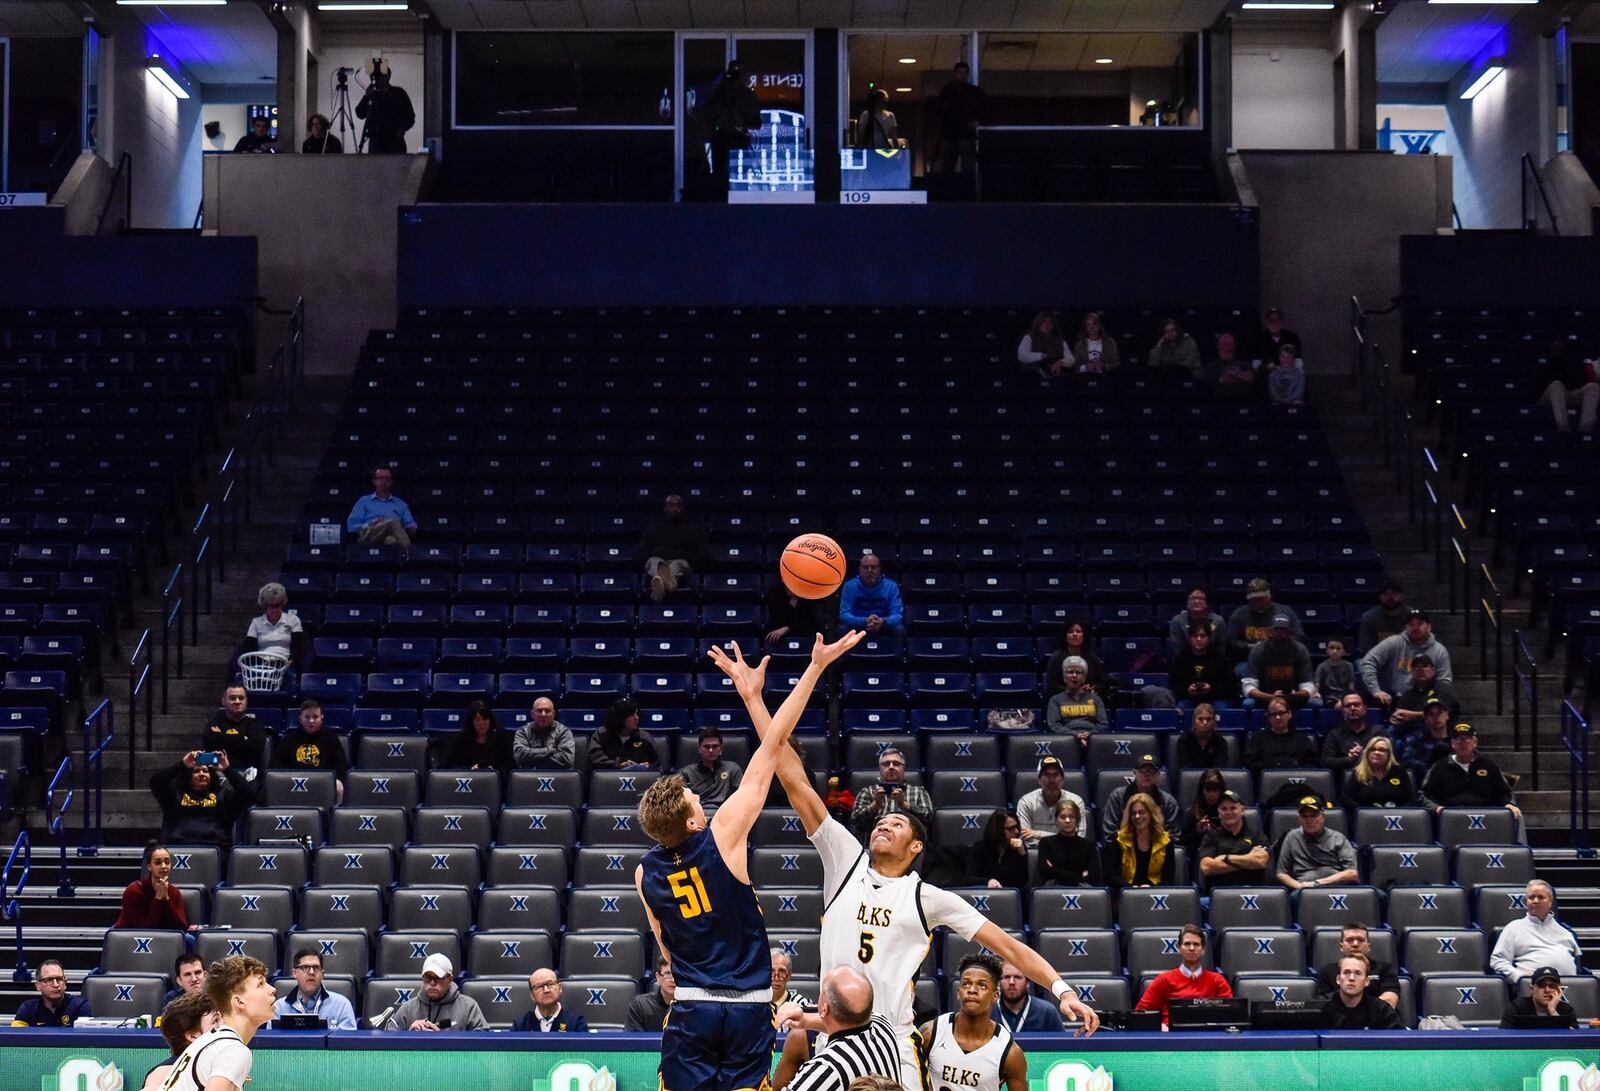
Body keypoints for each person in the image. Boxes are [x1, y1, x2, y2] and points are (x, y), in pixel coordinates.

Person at [713, 649, 1098, 1091]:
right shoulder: (844, 859)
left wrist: (1063, 989)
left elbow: (1008, 947)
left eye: (896, 823)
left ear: (916, 847)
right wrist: (753, 699)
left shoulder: (927, 897)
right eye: (881, 820)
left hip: (892, 1044)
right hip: (835, 1036)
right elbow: (791, 774)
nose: (883, 823)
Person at [638, 633, 857, 1091]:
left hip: (693, 1005)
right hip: (748, 1006)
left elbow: (666, 946)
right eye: (693, 798)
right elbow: (774, 744)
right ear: (694, 822)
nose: (698, 794)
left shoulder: (645, 872)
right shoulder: (723, 833)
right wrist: (812, 669)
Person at [158, 955, 277, 1091]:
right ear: (239, 1001)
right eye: (260, 984)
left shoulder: (214, 1042)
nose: (272, 989)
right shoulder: (232, 1049)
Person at [782, 969, 903, 1091]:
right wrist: (806, 1021)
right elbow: (850, 1021)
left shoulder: (827, 1069)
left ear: (824, 1009)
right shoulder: (883, 1026)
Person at [919, 955, 1026, 1091]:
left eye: (981, 985)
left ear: (995, 996)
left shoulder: (1010, 1053)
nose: (972, 990)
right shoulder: (930, 1033)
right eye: (966, 984)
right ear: (959, 993)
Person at [151, 751, 250, 851]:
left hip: (215, 849)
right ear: (188, 776)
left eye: (205, 771)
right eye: (196, 771)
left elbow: (249, 795)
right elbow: (156, 781)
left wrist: (227, 769)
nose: (201, 774)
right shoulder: (175, 795)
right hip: (180, 847)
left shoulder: (224, 796)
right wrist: (182, 764)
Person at [1489, 881, 1583, 986]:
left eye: (1541, 897)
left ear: (1550, 901)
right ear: (1526, 902)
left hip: (1569, 989)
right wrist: (1517, 975)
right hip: (1534, 989)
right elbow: (1497, 961)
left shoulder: (1565, 932)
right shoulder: (1513, 928)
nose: (1535, 901)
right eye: (1531, 897)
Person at [1421, 722, 1521, 820]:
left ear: (1475, 742)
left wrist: (1509, 804)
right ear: (1452, 743)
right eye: (1458, 739)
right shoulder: (1440, 767)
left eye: (1467, 739)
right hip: (1451, 818)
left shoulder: (1488, 765)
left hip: (1486, 816)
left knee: (1517, 815)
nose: (1463, 743)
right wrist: (1437, 808)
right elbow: (1425, 795)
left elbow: (1503, 792)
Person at [1134, 924, 1231, 1024]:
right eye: (1187, 944)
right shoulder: (1163, 980)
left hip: (1207, 1035)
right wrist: (1160, 1027)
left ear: (1203, 950)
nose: (1192, 948)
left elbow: (1230, 1014)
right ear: (1180, 948)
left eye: (1196, 944)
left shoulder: (1217, 980)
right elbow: (1141, 1013)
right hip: (1171, 1035)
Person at [1359, 609, 1454, 709]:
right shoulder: (1394, 642)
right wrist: (1376, 690)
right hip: (1396, 699)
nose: (1415, 627)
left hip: (1427, 702)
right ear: (1406, 627)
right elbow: (1367, 662)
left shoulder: (1439, 650)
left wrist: (1435, 700)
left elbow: (1444, 681)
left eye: (1420, 623)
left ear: (1429, 627)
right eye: (1411, 624)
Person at [696, 60, 762, 197]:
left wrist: (739, 122)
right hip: (722, 139)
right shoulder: (720, 93)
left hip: (738, 140)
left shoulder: (746, 95)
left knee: (737, 177)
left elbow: (756, 122)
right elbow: (706, 114)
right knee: (721, 177)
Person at [636, 494, 712, 604]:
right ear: (665, 508)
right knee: (654, 561)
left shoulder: (694, 531)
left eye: (678, 505)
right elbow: (639, 555)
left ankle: (660, 583)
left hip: (682, 563)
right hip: (658, 561)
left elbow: (705, 556)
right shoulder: (653, 530)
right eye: (671, 505)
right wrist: (657, 554)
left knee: (677, 563)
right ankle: (670, 584)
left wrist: (678, 555)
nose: (675, 509)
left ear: (683, 508)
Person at [384, 953, 489, 1031]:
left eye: (438, 978)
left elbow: (483, 1039)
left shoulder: (468, 1007)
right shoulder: (408, 1008)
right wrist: (409, 1034)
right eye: (427, 977)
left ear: (450, 979)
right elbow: (389, 1038)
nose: (432, 983)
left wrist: (444, 1039)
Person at [1275, 795, 1359, 891]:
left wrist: (1317, 883)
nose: (1309, 820)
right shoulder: (1291, 837)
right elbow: (1281, 873)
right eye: (1304, 816)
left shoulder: (1338, 838)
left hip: (1336, 888)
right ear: (1299, 819)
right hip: (1303, 891)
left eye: (1313, 815)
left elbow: (1352, 873)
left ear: (1323, 817)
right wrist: (1298, 886)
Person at [273, 699, 349, 802]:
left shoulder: (330, 738)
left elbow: (341, 764)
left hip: (322, 781)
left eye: (315, 717)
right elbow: (276, 763)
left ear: (321, 718)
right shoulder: (290, 739)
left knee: (338, 786)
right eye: (307, 717)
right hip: (294, 781)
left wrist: (331, 779)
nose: (311, 721)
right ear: (300, 719)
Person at [1102, 792, 1175, 895]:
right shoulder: (1119, 839)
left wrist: (1152, 889)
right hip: (1125, 893)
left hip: (1157, 894)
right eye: (1133, 813)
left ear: (1151, 814)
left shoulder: (1166, 840)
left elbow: (1169, 879)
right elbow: (1110, 876)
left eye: (1142, 812)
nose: (1137, 816)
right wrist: (1131, 888)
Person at [143, 991, 218, 1091]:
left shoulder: (216, 1065)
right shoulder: (166, 1071)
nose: (224, 1025)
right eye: (216, 1020)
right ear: (192, 1035)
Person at [849, 746, 933, 836]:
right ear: (879, 769)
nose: (891, 767)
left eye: (896, 763)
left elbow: (928, 819)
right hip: (874, 845)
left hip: (908, 846)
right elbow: (855, 822)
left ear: (904, 768)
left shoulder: (919, 792)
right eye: (886, 764)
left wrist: (904, 805)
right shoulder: (867, 792)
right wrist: (875, 805)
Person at [1312, 924, 1400, 1009]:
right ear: (1341, 947)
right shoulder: (1328, 971)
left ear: (1368, 946)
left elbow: (1390, 1000)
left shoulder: (1385, 969)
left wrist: (1358, 1014)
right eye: (1350, 940)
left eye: (1360, 940)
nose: (1355, 944)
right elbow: (1322, 1004)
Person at [1197, 789, 1270, 891]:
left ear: (1242, 810)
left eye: (1233, 808)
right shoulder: (1211, 836)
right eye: (1224, 809)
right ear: (1219, 812)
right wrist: (1248, 860)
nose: (1228, 812)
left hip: (1251, 894)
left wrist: (1226, 858)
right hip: (1219, 895)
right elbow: (1206, 867)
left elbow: (1260, 862)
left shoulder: (1256, 835)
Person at [1241, 615, 1321, 708]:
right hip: (1265, 699)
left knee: (1315, 703)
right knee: (1248, 703)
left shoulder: (1300, 650)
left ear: (1290, 633)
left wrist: (1295, 695)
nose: (1280, 633)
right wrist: (1271, 697)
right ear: (1270, 632)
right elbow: (1249, 687)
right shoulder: (1258, 650)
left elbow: (1308, 686)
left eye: (1283, 630)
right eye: (1277, 629)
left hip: (1293, 700)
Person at [200, 685, 266, 792]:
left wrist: (221, 737)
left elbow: (256, 747)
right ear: (223, 701)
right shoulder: (214, 721)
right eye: (232, 698)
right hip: (217, 775)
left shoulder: (255, 724)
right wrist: (243, 739)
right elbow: (209, 742)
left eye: (241, 698)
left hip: (247, 777)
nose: (237, 701)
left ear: (246, 701)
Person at [115, 841, 193, 930]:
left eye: (167, 862)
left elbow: (181, 927)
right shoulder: (134, 891)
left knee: (189, 939)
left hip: (164, 939)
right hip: (131, 939)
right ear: (149, 866)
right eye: (158, 862)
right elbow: (144, 932)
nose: (164, 866)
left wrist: (166, 898)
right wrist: (158, 898)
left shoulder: (173, 892)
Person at [273, 948, 357, 1029]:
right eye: (305, 967)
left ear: (322, 974)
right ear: (295, 973)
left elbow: (348, 1042)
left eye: (316, 968)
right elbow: (271, 1042)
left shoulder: (341, 1005)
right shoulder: (279, 1007)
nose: (311, 972)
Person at [1099, 755, 1180, 839]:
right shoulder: (1117, 797)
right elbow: (1109, 832)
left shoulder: (1168, 801)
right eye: (1142, 770)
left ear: (1158, 774)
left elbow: (1174, 835)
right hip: (1124, 848)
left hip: (1158, 849)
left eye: (1151, 771)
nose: (1147, 774)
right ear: (1134, 772)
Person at [239, 581, 303, 685]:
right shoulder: (256, 622)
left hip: (285, 663)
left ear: (282, 603)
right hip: (260, 663)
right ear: (265, 605)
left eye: (277, 605)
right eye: (270, 606)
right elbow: (248, 646)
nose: (273, 609)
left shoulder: (293, 620)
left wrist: (290, 663)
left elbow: (297, 645)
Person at [1529, 340, 1599, 434]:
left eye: (1560, 348)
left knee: (1592, 386)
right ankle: (1563, 430)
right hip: (1548, 397)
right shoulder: (1545, 366)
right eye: (1556, 348)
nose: (1558, 350)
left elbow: (1580, 382)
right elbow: (1537, 387)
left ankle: (1585, 430)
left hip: (1569, 393)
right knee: (1556, 385)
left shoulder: (1574, 364)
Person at [1225, 578, 1303, 662]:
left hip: (1280, 660)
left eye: (1261, 599)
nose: (1258, 603)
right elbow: (1231, 641)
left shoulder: (1285, 612)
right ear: (1249, 599)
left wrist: (1278, 644)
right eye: (1254, 600)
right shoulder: (1239, 614)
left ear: (1268, 597)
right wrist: (1249, 646)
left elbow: (1299, 636)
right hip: (1248, 659)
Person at [1014, 756, 1087, 845]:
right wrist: (1064, 839)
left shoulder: (1076, 801)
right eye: (1047, 775)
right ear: (1039, 780)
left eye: (1056, 775)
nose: (1052, 780)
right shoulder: (1026, 802)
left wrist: (1037, 834)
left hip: (1068, 854)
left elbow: (1079, 838)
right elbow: (1024, 837)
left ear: (1063, 779)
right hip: (1035, 852)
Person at [1242, 697, 1318, 780]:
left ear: (1289, 714)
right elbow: (1249, 764)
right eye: (1273, 714)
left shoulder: (1301, 738)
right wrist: (1275, 765)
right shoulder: (1258, 738)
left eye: (1281, 713)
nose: (1278, 717)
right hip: (1266, 783)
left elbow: (1312, 764)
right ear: (1269, 717)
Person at [1319, 954, 1403, 1029]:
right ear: (1338, 979)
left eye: (1358, 973)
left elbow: (1399, 1039)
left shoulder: (1381, 1009)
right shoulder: (1321, 1006)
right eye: (1346, 972)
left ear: (1367, 981)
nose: (1351, 978)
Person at [933, 61, 986, 174]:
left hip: (964, 132)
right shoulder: (948, 90)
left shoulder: (972, 92)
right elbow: (939, 109)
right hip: (950, 132)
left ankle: (965, 184)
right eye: (959, 73)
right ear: (955, 73)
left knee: (966, 161)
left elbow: (983, 107)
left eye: (964, 73)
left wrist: (976, 120)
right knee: (948, 161)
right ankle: (951, 184)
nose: (962, 76)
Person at [438, 699, 514, 778]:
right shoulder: (462, 737)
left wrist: (495, 772)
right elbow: (449, 763)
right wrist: (469, 771)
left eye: (485, 719)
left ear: (490, 720)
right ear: (472, 721)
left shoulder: (501, 736)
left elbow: (510, 763)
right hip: (467, 780)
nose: (482, 723)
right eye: (477, 720)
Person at [345, 464, 417, 546]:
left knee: (390, 540)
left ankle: (404, 554)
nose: (384, 481)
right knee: (392, 522)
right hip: (369, 535)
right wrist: (371, 524)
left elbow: (411, 524)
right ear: (374, 481)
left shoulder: (401, 504)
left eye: (387, 478)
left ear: (391, 482)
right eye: (380, 478)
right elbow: (351, 526)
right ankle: (409, 554)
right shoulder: (364, 501)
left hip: (392, 535)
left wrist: (412, 527)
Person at [1168, 623, 1238, 707]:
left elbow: (1230, 685)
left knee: (1223, 709)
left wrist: (1211, 688)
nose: (1198, 639)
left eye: (1202, 636)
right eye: (1195, 636)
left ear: (1209, 638)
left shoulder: (1220, 658)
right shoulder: (1181, 658)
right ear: (1189, 639)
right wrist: (1187, 690)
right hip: (1189, 698)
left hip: (1215, 698)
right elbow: (1173, 685)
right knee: (1180, 709)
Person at [1035, 798, 1100, 887]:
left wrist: (1054, 870)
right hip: (1053, 887)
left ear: (1077, 820)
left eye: (1072, 817)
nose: (1067, 821)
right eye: (1062, 817)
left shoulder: (1088, 845)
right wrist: (1080, 875)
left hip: (1081, 887)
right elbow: (1044, 871)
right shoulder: (1046, 843)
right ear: (1056, 821)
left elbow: (1093, 874)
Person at [1386, 654, 1461, 730]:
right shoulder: (1406, 695)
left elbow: (1444, 715)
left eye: (1424, 666)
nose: (1420, 669)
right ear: (1411, 671)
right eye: (1416, 666)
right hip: (1410, 735)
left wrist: (1412, 715)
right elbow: (1400, 715)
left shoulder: (1443, 692)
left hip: (1437, 736)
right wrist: (1395, 718)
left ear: (1433, 670)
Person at [354, 59, 414, 153]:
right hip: (375, 143)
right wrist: (366, 97)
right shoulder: (371, 94)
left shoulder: (398, 93)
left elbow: (410, 117)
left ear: (388, 76)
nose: (379, 79)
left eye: (381, 76)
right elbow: (360, 114)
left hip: (395, 142)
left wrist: (401, 130)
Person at [586, 697, 663, 769]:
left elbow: (657, 763)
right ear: (620, 718)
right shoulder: (601, 735)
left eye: (636, 714)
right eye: (632, 715)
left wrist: (649, 766)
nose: (637, 718)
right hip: (610, 780)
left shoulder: (644, 737)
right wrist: (618, 764)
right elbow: (595, 761)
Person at [839, 553, 905, 637]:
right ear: (860, 569)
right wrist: (865, 621)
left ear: (879, 569)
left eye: (873, 567)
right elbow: (844, 615)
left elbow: (897, 616)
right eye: (865, 567)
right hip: (859, 626)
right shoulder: (849, 586)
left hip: (883, 626)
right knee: (842, 628)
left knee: (899, 629)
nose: (869, 570)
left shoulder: (891, 586)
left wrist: (883, 621)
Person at [1045, 657, 1107, 744]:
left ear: (1084, 677)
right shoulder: (1055, 700)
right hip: (1066, 740)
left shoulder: (1095, 699)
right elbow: (1054, 725)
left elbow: (1103, 724)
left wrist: (1090, 734)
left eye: (1078, 672)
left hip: (1093, 739)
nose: (1074, 675)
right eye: (1070, 672)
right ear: (1064, 677)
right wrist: (1075, 735)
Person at [681, 727, 744, 812]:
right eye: (706, 747)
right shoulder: (687, 773)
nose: (711, 750)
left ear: (721, 749)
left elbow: (741, 798)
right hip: (697, 815)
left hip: (725, 814)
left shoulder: (733, 769)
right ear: (699, 749)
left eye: (715, 746)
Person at [1321, 693, 1386, 776]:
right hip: (1344, 781)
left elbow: (1388, 758)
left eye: (1356, 705)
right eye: (1348, 706)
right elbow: (1325, 762)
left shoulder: (1378, 732)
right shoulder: (1334, 734)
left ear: (1365, 709)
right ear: (1343, 711)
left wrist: (1365, 754)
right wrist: (1348, 759)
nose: (1352, 708)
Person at [1342, 736, 1416, 808]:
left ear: (1389, 754)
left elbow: (1412, 800)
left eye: (1382, 750)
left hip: (1397, 817)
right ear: (1367, 753)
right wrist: (1364, 811)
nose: (1377, 753)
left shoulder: (1399, 771)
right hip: (1367, 818)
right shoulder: (1358, 773)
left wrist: (1401, 812)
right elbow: (1346, 800)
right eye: (1372, 749)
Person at [10, 960, 91, 1026]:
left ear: (65, 983)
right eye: (49, 980)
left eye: (59, 979)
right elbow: (16, 1039)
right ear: (38, 986)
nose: (56, 985)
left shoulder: (80, 1007)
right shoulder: (28, 1009)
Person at [965, 809, 1029, 891]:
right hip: (985, 893)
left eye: (1017, 827)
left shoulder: (1019, 847)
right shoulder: (979, 847)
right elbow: (968, 879)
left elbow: (1022, 882)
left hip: (1010, 896)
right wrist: (988, 880)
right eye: (1010, 828)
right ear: (997, 830)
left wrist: (1022, 854)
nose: (1016, 831)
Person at [991, 962, 1064, 1033]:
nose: (1011, 982)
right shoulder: (987, 1011)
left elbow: (1062, 1044)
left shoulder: (1047, 1011)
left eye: (1017, 977)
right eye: (1006, 977)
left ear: (1027, 982)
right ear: (998, 982)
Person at [512, 968, 589, 1033]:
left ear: (560, 988)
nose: (546, 990)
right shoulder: (520, 1025)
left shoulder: (576, 1022)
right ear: (532, 996)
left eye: (551, 984)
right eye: (539, 986)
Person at [1043, 618, 1108, 695]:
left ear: (1084, 635)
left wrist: (1092, 688)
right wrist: (1075, 691)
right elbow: (1052, 686)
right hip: (1063, 700)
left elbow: (1102, 682)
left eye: (1078, 631)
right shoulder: (1056, 658)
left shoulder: (1091, 657)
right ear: (1065, 636)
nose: (1075, 634)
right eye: (1070, 632)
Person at [1499, 966, 1579, 1027]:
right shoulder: (1516, 1008)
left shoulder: (1566, 1010)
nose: (1547, 990)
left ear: (1559, 989)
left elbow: (1573, 1038)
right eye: (1542, 985)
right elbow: (1504, 1035)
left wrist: (1552, 1011)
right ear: (1532, 989)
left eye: (1552, 986)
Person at [1397, 699, 1454, 784]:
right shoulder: (1416, 739)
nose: (1436, 717)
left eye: (1439, 713)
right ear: (1426, 719)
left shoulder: (1456, 739)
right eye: (1431, 714)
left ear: (1447, 715)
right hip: (1425, 782)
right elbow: (1407, 760)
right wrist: (1428, 769)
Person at [513, 697, 575, 769]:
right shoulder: (523, 732)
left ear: (554, 714)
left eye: (547, 711)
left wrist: (533, 762)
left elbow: (567, 759)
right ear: (532, 714)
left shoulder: (563, 731)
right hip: (529, 777)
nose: (543, 714)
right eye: (539, 711)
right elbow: (519, 756)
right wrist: (550, 750)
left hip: (558, 776)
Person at [1166, 586, 1227, 660]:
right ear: (1187, 601)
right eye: (1192, 598)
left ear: (1207, 602)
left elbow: (1221, 648)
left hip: (1212, 661)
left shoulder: (1218, 621)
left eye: (1201, 599)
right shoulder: (1177, 621)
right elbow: (1177, 648)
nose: (1196, 601)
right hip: (1184, 661)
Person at [1178, 769, 1227, 857]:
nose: (1211, 795)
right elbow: (1181, 842)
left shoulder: (1229, 812)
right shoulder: (1192, 814)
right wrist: (1197, 833)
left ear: (1221, 790)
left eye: (1215, 790)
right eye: (1208, 790)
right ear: (1202, 790)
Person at [766, 578, 827, 645]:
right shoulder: (775, 594)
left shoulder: (809, 597)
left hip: (804, 636)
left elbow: (810, 623)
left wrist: (787, 628)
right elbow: (777, 621)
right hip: (781, 638)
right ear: (783, 580)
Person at [1358, 579, 1409, 655]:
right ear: (1380, 597)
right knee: (1360, 663)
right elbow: (1366, 647)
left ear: (1401, 596)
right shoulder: (1369, 617)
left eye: (1394, 594)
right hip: (1377, 659)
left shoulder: (1411, 616)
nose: (1389, 597)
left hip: (1404, 659)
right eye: (1385, 594)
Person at [625, 954, 675, 1031]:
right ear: (658, 977)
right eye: (668, 973)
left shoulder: (691, 1007)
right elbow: (633, 1040)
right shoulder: (639, 1005)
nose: (673, 980)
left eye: (677, 975)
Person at [1017, 311, 1072, 379]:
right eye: (1043, 322)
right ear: (1038, 324)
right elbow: (1022, 355)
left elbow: (1071, 359)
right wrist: (1042, 356)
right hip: (1032, 376)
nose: (1047, 324)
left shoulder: (1060, 340)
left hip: (1054, 375)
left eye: (1050, 322)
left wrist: (1061, 362)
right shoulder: (1029, 337)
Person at [1175, 704, 1229, 771]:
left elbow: (1219, 766)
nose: (1205, 722)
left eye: (1208, 719)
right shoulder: (1183, 741)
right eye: (1200, 719)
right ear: (1194, 721)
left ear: (1214, 722)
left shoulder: (1220, 741)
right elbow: (1185, 767)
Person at [1211, 331, 1257, 403]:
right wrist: (1241, 375)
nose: (1227, 347)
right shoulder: (1212, 366)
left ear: (1234, 346)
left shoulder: (1244, 364)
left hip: (1245, 402)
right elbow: (1222, 379)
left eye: (1230, 344)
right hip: (1220, 404)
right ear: (1218, 347)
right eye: (1224, 344)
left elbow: (1251, 378)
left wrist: (1231, 375)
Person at [771, 948, 812, 1027]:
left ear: (789, 976)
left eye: (781, 971)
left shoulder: (801, 1004)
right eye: (771, 971)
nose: (776, 978)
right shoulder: (756, 1004)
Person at [1264, 342, 1306, 406]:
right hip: (1277, 403)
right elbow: (1272, 392)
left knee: (1297, 403)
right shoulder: (1272, 374)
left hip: (1294, 402)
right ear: (1279, 357)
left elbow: (1299, 391)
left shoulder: (1299, 373)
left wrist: (1289, 400)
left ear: (1293, 359)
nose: (1285, 359)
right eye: (1283, 356)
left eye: (1288, 357)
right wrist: (1281, 400)